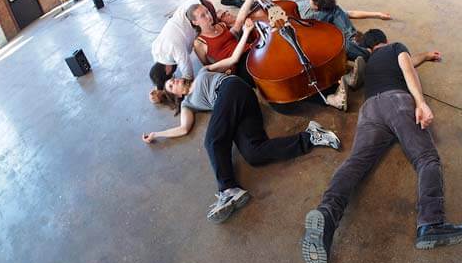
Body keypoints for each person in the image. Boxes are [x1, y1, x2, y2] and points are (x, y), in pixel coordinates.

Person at [300, 29, 462, 263]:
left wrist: (425, 56)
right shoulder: (396, 48)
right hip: (397, 102)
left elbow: (411, 60)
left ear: (370, 49)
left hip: (370, 110)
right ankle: (431, 224)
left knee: (355, 163)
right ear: (386, 41)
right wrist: (421, 103)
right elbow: (407, 67)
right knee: (426, 159)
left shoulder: (371, 62)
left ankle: (327, 215)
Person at [143, 21, 342, 224]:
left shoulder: (203, 73)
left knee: (212, 139)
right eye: (171, 85)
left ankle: (228, 189)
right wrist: (157, 134)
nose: (175, 81)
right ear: (174, 95)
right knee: (254, 153)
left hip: (231, 88)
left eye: (173, 79)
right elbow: (183, 128)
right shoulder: (188, 104)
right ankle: (311, 136)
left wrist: (246, 32)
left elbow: (233, 59)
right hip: (238, 109)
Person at [221, 0, 391, 61]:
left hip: (288, 1)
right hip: (287, 8)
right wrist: (269, 0)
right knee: (246, 2)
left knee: (337, 11)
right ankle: (235, 1)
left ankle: (353, 39)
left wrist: (377, 13)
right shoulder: (272, 4)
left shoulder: (302, 2)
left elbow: (350, 13)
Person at [148, 0, 218, 100]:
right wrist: (159, 89)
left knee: (216, 31)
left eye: (171, 75)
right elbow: (157, 73)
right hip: (191, 4)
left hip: (203, 9)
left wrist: (178, 90)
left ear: (167, 70)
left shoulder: (174, 48)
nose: (174, 75)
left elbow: (188, 74)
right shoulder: (155, 50)